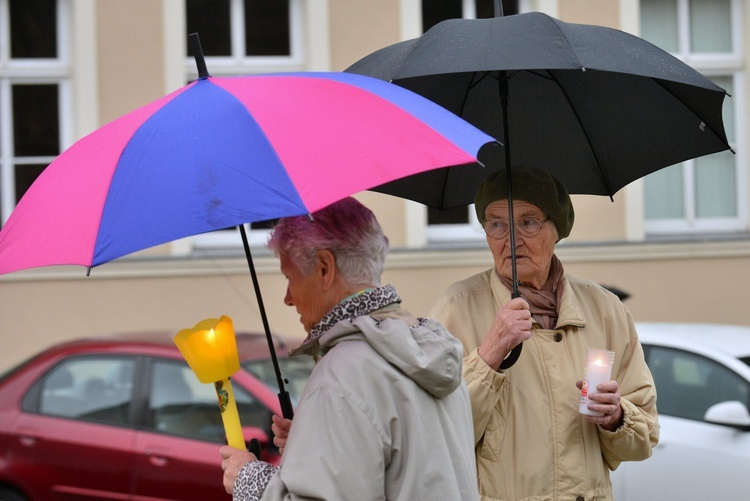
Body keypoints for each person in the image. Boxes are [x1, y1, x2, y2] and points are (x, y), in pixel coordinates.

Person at [219, 196, 479, 501]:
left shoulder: (342, 376)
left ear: (325, 268)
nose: (288, 298)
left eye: (290, 278)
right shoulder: (430, 348)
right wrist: (311, 445)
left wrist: (251, 482)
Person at [429, 168, 659, 501]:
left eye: (528, 222)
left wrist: (617, 417)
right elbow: (435, 434)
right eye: (496, 224)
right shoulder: (456, 308)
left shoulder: (605, 310)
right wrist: (490, 353)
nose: (511, 239)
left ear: (557, 228)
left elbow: (645, 438)